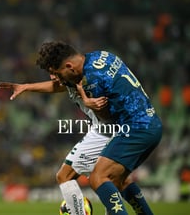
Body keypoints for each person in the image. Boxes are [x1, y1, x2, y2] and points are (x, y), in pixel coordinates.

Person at [36, 40, 162, 215]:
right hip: (150, 122)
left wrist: (88, 102)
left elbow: (106, 119)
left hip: (135, 128)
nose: (59, 80)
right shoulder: (101, 56)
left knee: (98, 177)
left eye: (58, 74)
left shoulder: (92, 80)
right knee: (117, 180)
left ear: (69, 66)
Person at [0, 78, 112, 215]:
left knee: (66, 175)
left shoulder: (84, 77)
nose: (52, 77)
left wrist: (86, 99)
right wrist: (27, 86)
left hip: (104, 130)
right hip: (108, 128)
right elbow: (56, 86)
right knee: (108, 180)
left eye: (53, 71)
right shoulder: (71, 79)